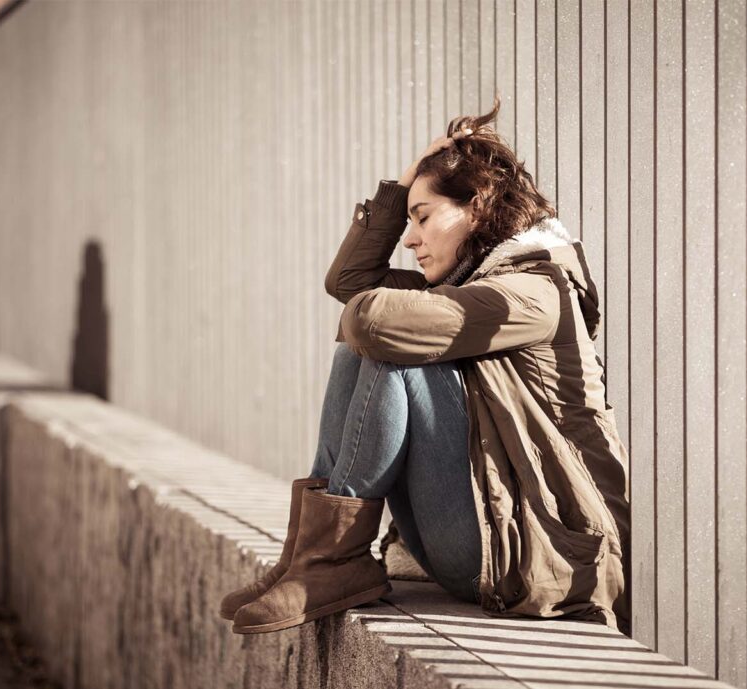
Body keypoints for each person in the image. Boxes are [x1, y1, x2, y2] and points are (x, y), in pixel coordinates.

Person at [219, 94, 631, 637]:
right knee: (375, 339)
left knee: (393, 343)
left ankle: (332, 561)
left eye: (423, 217)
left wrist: (367, 323)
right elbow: (348, 285)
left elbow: (370, 317)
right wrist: (407, 180)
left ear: (479, 205)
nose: (410, 239)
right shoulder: (471, 283)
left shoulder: (533, 293)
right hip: (476, 532)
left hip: (534, 551)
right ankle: (310, 559)